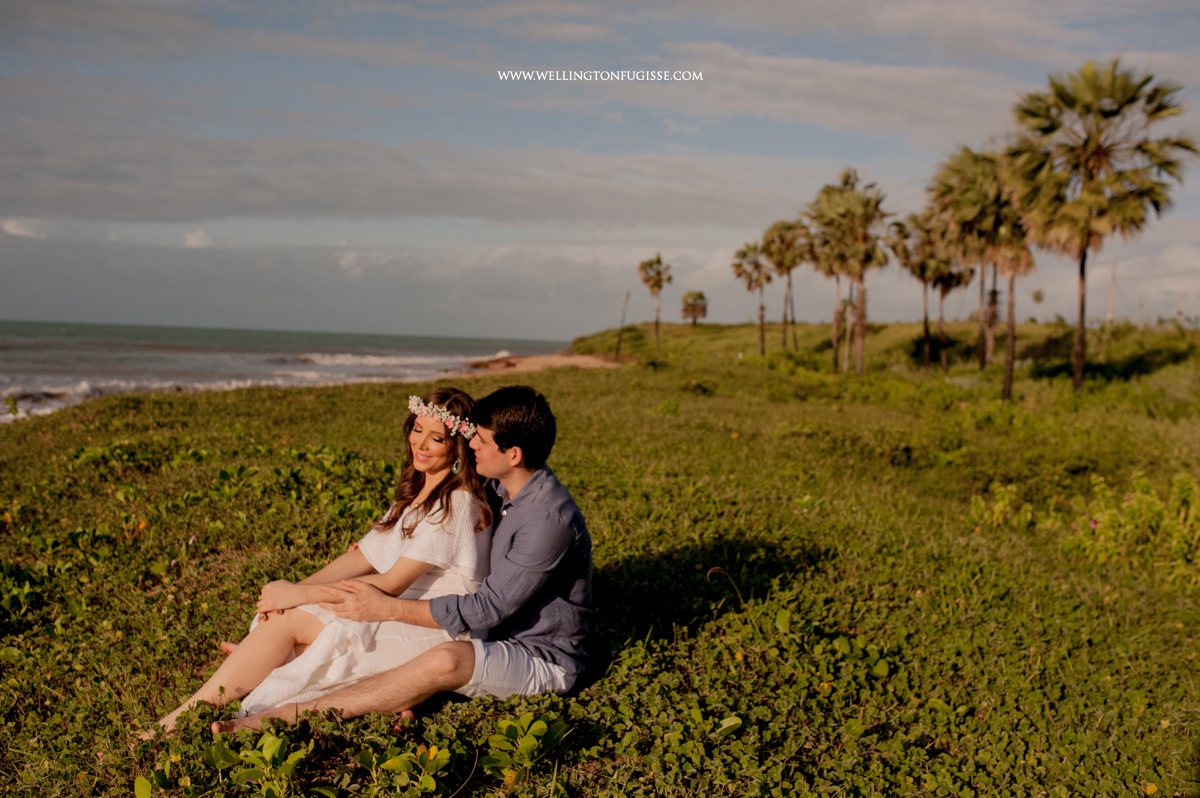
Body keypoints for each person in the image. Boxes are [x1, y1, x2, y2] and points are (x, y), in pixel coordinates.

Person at [212, 384, 593, 733]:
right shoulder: (501, 484)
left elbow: (486, 610)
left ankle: (285, 715)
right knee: (367, 639)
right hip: (493, 636)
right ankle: (331, 676)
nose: (471, 442)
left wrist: (388, 608)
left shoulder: (547, 522)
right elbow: (436, 515)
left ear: (513, 454)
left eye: (481, 438)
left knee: (445, 660)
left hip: (540, 656)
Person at [144, 387, 491, 735]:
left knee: (294, 627)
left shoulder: (457, 503)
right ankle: (256, 669)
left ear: (457, 447)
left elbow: (391, 583)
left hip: (432, 626)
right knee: (288, 619)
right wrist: (291, 592)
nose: (421, 444)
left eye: (436, 438)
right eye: (417, 429)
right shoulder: (420, 490)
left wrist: (299, 596)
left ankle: (175, 722)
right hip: (390, 607)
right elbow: (363, 556)